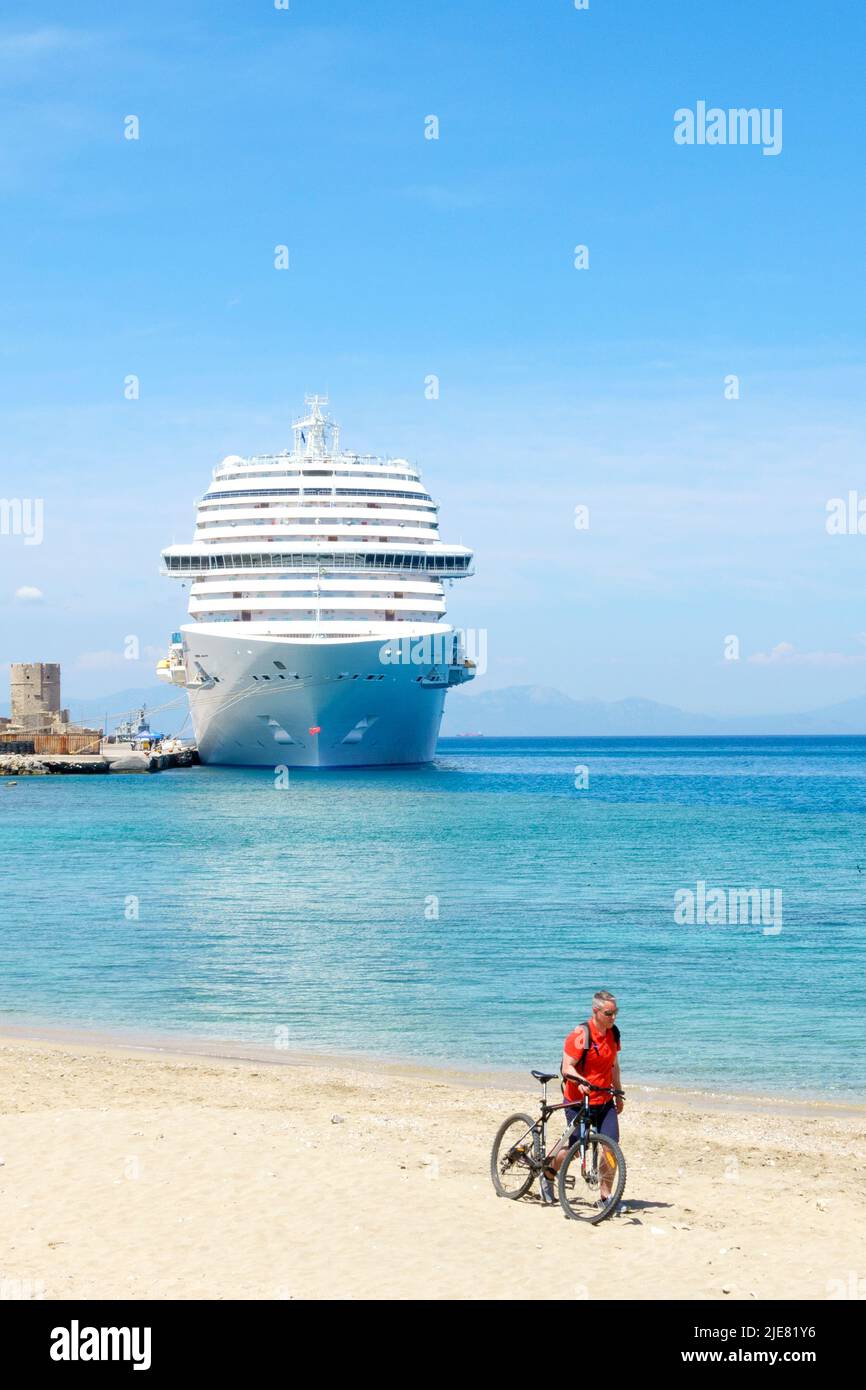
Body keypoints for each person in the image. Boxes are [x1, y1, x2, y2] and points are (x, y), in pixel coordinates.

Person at [545, 990, 624, 1197]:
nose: (613, 1017)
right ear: (595, 1011)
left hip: (604, 1099)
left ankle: (605, 1197)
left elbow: (614, 1065)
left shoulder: (613, 1033)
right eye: (609, 1013)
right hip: (578, 1100)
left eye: (616, 1012)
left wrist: (618, 1092)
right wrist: (580, 1081)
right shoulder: (581, 1035)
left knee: (611, 1147)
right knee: (575, 1147)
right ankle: (548, 1173)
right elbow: (567, 1068)